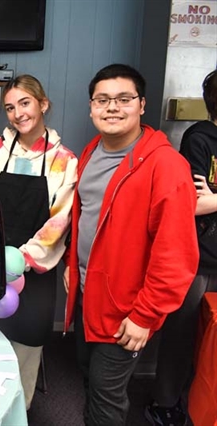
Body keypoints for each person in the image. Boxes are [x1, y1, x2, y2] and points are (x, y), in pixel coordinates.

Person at [63, 64, 199, 426]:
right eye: (102, 100)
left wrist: (145, 315)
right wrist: (69, 265)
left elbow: (177, 256)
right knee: (90, 379)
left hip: (126, 308)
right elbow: (86, 217)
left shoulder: (166, 165)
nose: (112, 107)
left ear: (141, 105)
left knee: (107, 396)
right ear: (91, 107)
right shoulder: (91, 152)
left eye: (123, 99)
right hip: (87, 294)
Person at [0, 74, 78, 409]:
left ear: (43, 104)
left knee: (25, 352)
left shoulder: (65, 160)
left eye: (25, 103)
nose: (17, 113)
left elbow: (60, 220)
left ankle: (16, 412)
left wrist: (22, 260)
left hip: (34, 270)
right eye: (10, 107)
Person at [145, 69, 217, 426]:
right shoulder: (200, 138)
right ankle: (165, 404)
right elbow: (193, 203)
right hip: (202, 256)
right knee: (182, 332)